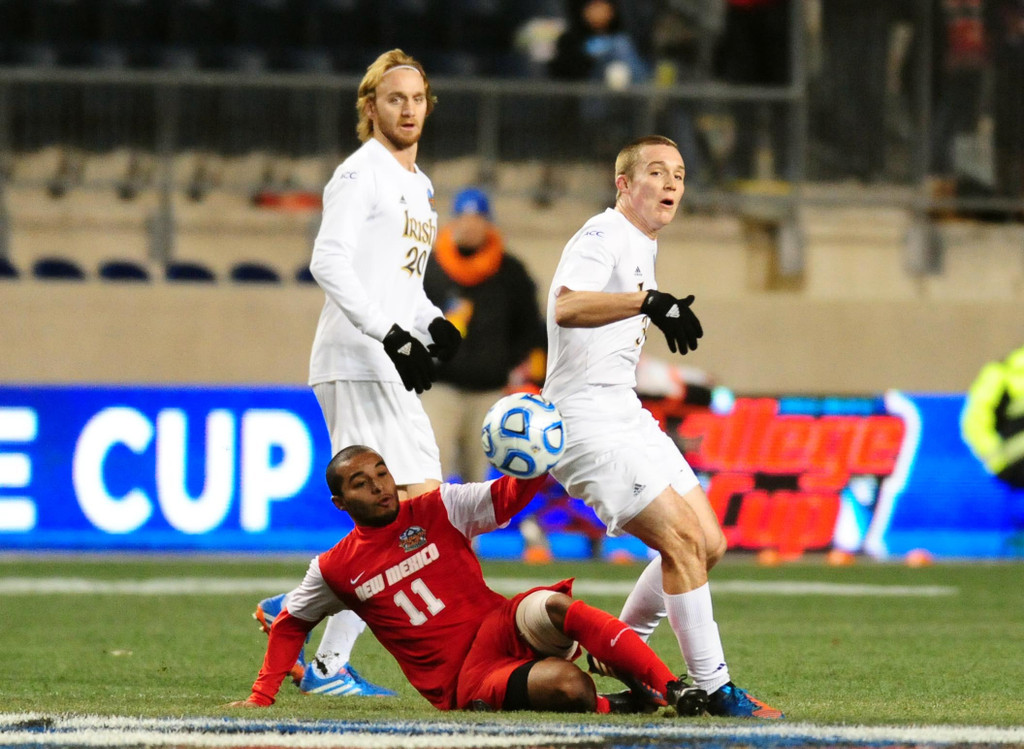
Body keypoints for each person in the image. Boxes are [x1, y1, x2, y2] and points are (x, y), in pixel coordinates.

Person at [541, 134, 783, 719]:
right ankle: (717, 689)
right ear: (623, 185)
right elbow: (566, 306)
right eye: (656, 171)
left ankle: (622, 659)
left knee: (710, 543)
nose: (672, 182)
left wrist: (646, 301)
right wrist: (647, 301)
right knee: (679, 541)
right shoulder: (602, 235)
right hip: (583, 418)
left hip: (622, 410)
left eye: (678, 173)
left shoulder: (641, 242)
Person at [255, 48, 463, 699]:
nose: (408, 109)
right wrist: (392, 334)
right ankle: (321, 654)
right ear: (370, 106)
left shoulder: (418, 186)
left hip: (385, 359)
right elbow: (329, 261)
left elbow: (400, 279)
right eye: (394, 98)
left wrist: (435, 324)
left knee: (405, 510)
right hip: (356, 356)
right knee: (413, 505)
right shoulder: (359, 174)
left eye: (418, 98)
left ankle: (298, 616)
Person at [229, 445, 709, 715]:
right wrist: (261, 696)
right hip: (464, 678)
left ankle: (669, 688)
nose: (378, 485)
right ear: (341, 503)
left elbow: (505, 498)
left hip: (501, 623)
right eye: (360, 483)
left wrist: (534, 461)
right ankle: (616, 706)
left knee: (555, 605)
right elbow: (291, 622)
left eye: (381, 472)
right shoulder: (335, 566)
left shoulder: (438, 507)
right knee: (569, 687)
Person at [421, 186, 546, 484]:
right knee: (430, 469)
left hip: (489, 390)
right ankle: (429, 531)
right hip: (440, 388)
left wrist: (511, 364)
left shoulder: (510, 272)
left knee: (477, 479)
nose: (469, 225)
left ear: (488, 223)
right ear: (453, 222)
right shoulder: (432, 269)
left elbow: (529, 326)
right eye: (463, 217)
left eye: (477, 218)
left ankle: (470, 534)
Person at [961, 344, 1024, 489]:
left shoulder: (1001, 372)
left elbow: (975, 423)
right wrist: (999, 461)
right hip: (1015, 468)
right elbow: (976, 423)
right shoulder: (1002, 374)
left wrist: (998, 463)